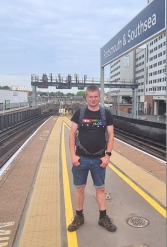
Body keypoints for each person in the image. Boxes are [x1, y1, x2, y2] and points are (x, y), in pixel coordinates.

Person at [67, 85, 117, 232]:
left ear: (99, 97)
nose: (93, 99)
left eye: (96, 96)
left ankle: (103, 217)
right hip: (81, 158)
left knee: (100, 189)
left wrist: (107, 156)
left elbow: (111, 135)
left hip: (99, 159)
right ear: (86, 98)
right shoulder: (79, 113)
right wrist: (73, 155)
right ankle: (79, 217)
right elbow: (72, 134)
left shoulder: (105, 114)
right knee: (80, 188)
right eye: (90, 97)